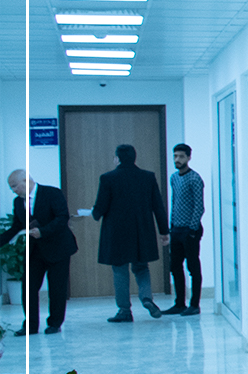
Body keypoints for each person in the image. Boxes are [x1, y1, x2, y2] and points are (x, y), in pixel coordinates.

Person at [93, 143, 169, 322]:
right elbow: (158, 206)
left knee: (120, 270)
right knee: (142, 268)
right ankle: (147, 298)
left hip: (117, 233)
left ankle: (124, 310)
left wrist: (94, 213)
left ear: (117, 159)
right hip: (142, 231)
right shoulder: (148, 177)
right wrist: (164, 231)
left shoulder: (108, 178)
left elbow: (101, 206)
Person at [6, 169, 78, 336]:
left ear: (26, 180)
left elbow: (62, 218)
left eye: (15, 186)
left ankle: (54, 323)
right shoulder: (18, 202)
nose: (13, 190)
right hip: (35, 251)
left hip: (58, 248)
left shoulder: (52, 193)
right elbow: (16, 226)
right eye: (11, 187)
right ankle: (30, 326)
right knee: (28, 288)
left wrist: (42, 232)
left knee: (57, 289)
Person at [163, 143, 205, 316]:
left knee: (193, 267)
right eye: (175, 156)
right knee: (175, 266)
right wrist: (171, 227)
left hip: (190, 230)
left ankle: (194, 304)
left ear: (188, 157)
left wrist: (192, 229)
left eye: (181, 156)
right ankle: (179, 303)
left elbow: (199, 206)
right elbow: (174, 203)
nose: (177, 159)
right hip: (176, 229)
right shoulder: (174, 178)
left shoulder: (195, 178)